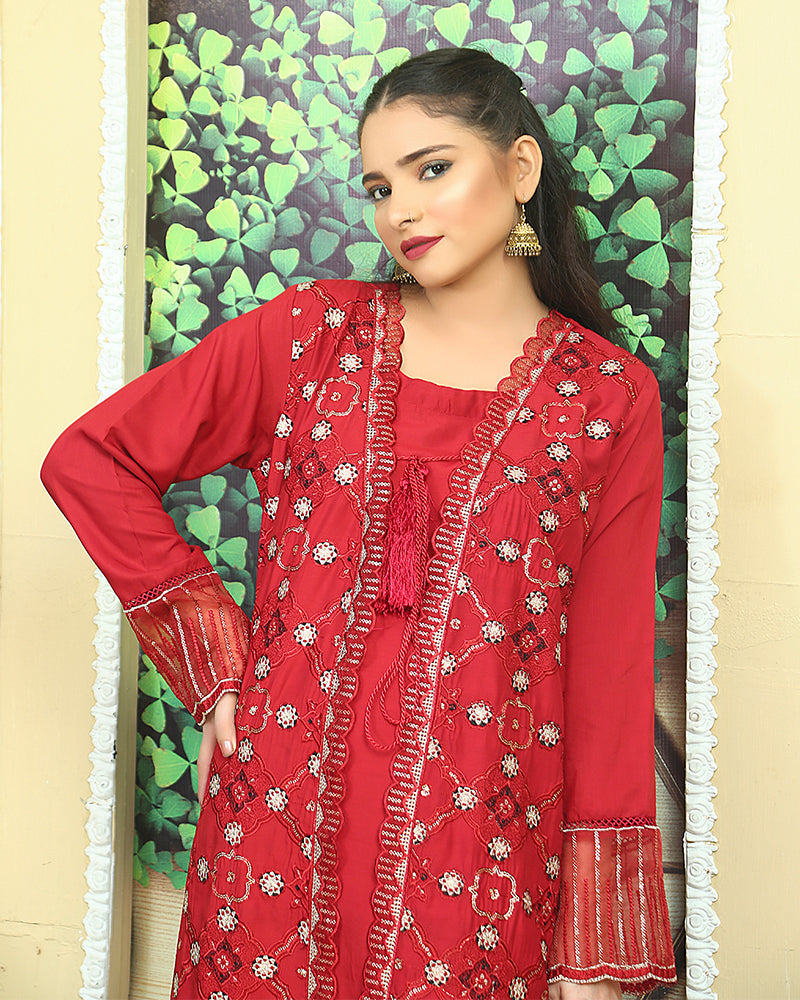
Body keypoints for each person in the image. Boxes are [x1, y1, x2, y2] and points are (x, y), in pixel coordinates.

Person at [42, 46, 677, 1000]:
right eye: (380, 188)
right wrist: (217, 666)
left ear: (520, 168)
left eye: (432, 169)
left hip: (482, 852)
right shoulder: (309, 337)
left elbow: (609, 667)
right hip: (275, 825)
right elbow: (91, 459)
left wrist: (594, 945)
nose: (400, 211)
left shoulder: (606, 398)